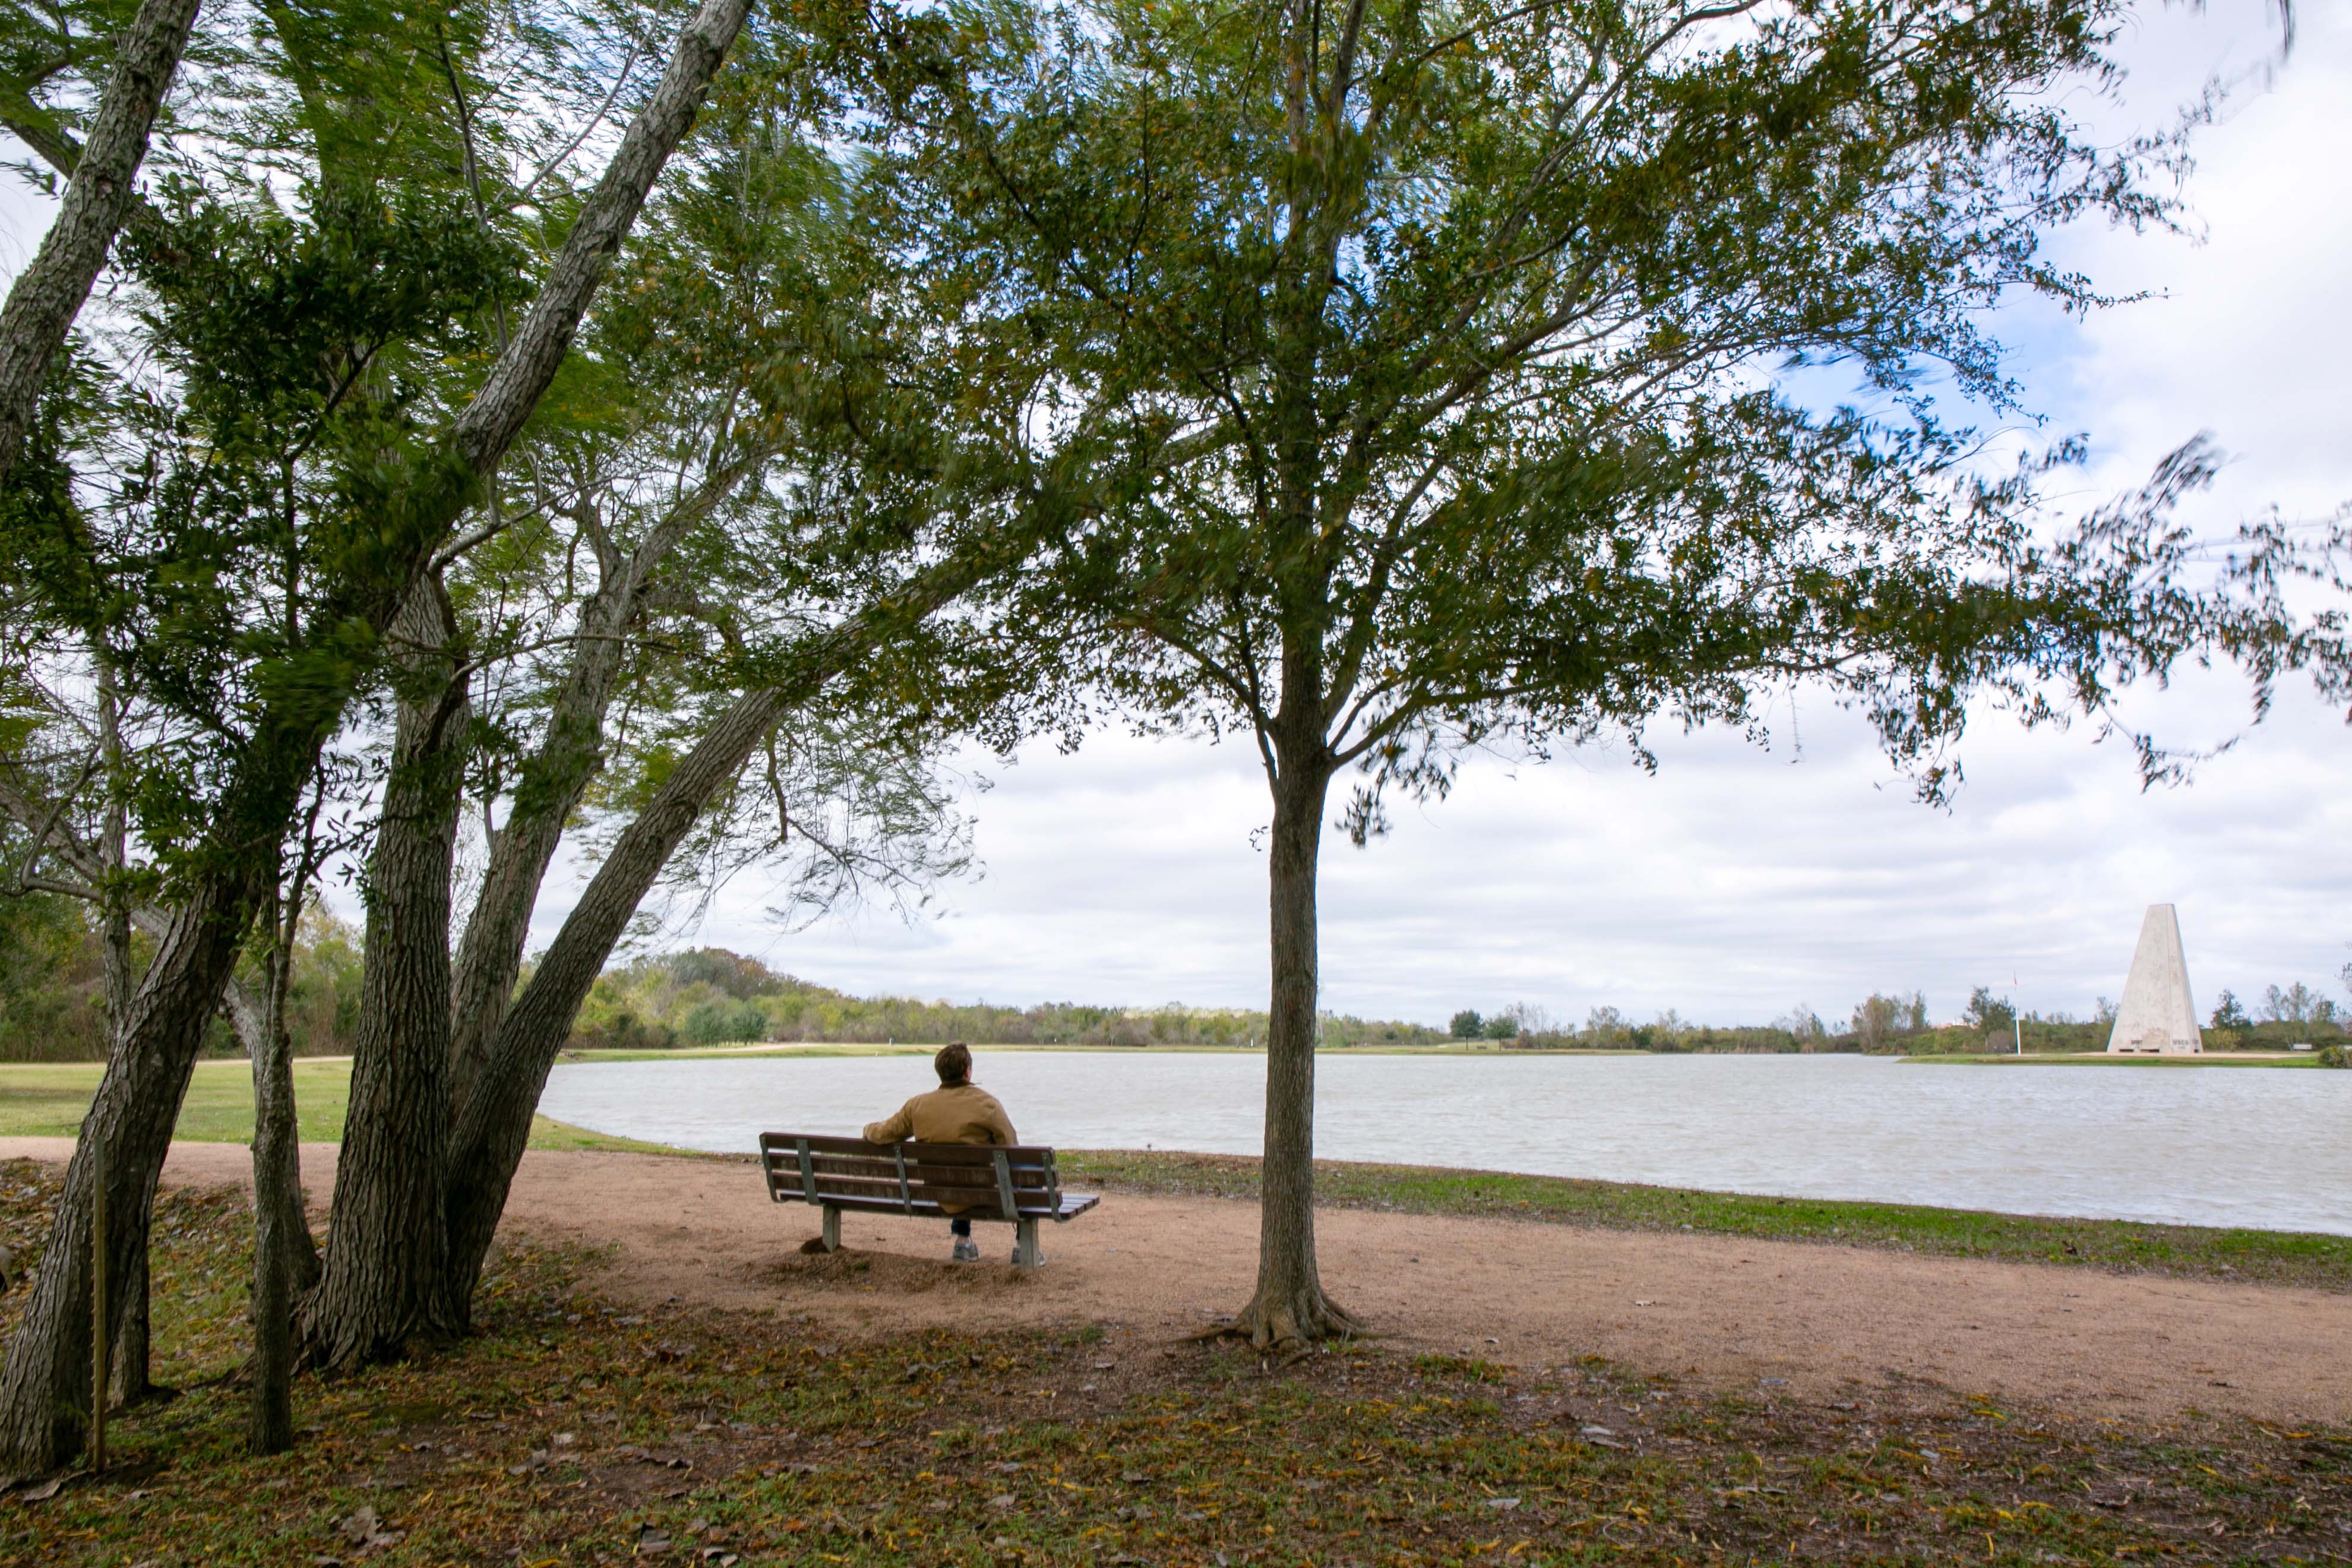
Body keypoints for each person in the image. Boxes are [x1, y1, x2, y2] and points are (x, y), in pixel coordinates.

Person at [862, 1042, 1017, 1262]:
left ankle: (963, 1241)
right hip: (979, 1191)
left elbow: (884, 1133)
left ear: (940, 1073)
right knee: (1024, 1166)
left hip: (938, 1190)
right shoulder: (988, 1104)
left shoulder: (917, 1105)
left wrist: (868, 1129)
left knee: (956, 1174)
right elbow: (1011, 1148)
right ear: (968, 1072)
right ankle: (1022, 1243)